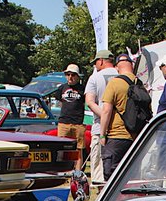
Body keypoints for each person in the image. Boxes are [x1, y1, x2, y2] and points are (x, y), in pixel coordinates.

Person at [98, 52, 140, 180]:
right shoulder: (139, 83)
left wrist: (102, 134)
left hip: (116, 136)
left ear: (117, 67)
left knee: (112, 177)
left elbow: (106, 111)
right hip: (135, 137)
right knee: (129, 177)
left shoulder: (114, 83)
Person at [84, 49, 117, 188]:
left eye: (96, 62)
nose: (95, 66)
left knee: (98, 164)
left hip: (99, 128)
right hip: (121, 128)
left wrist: (104, 116)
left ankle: (100, 194)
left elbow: (90, 102)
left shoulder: (95, 77)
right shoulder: (122, 75)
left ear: (101, 61)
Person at [55, 63, 86, 162]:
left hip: (78, 123)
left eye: (73, 75)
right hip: (64, 122)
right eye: (68, 74)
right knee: (61, 149)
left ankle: (77, 173)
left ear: (77, 76)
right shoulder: (62, 88)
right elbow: (59, 98)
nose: (70, 77)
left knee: (78, 150)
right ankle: (63, 171)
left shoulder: (83, 89)